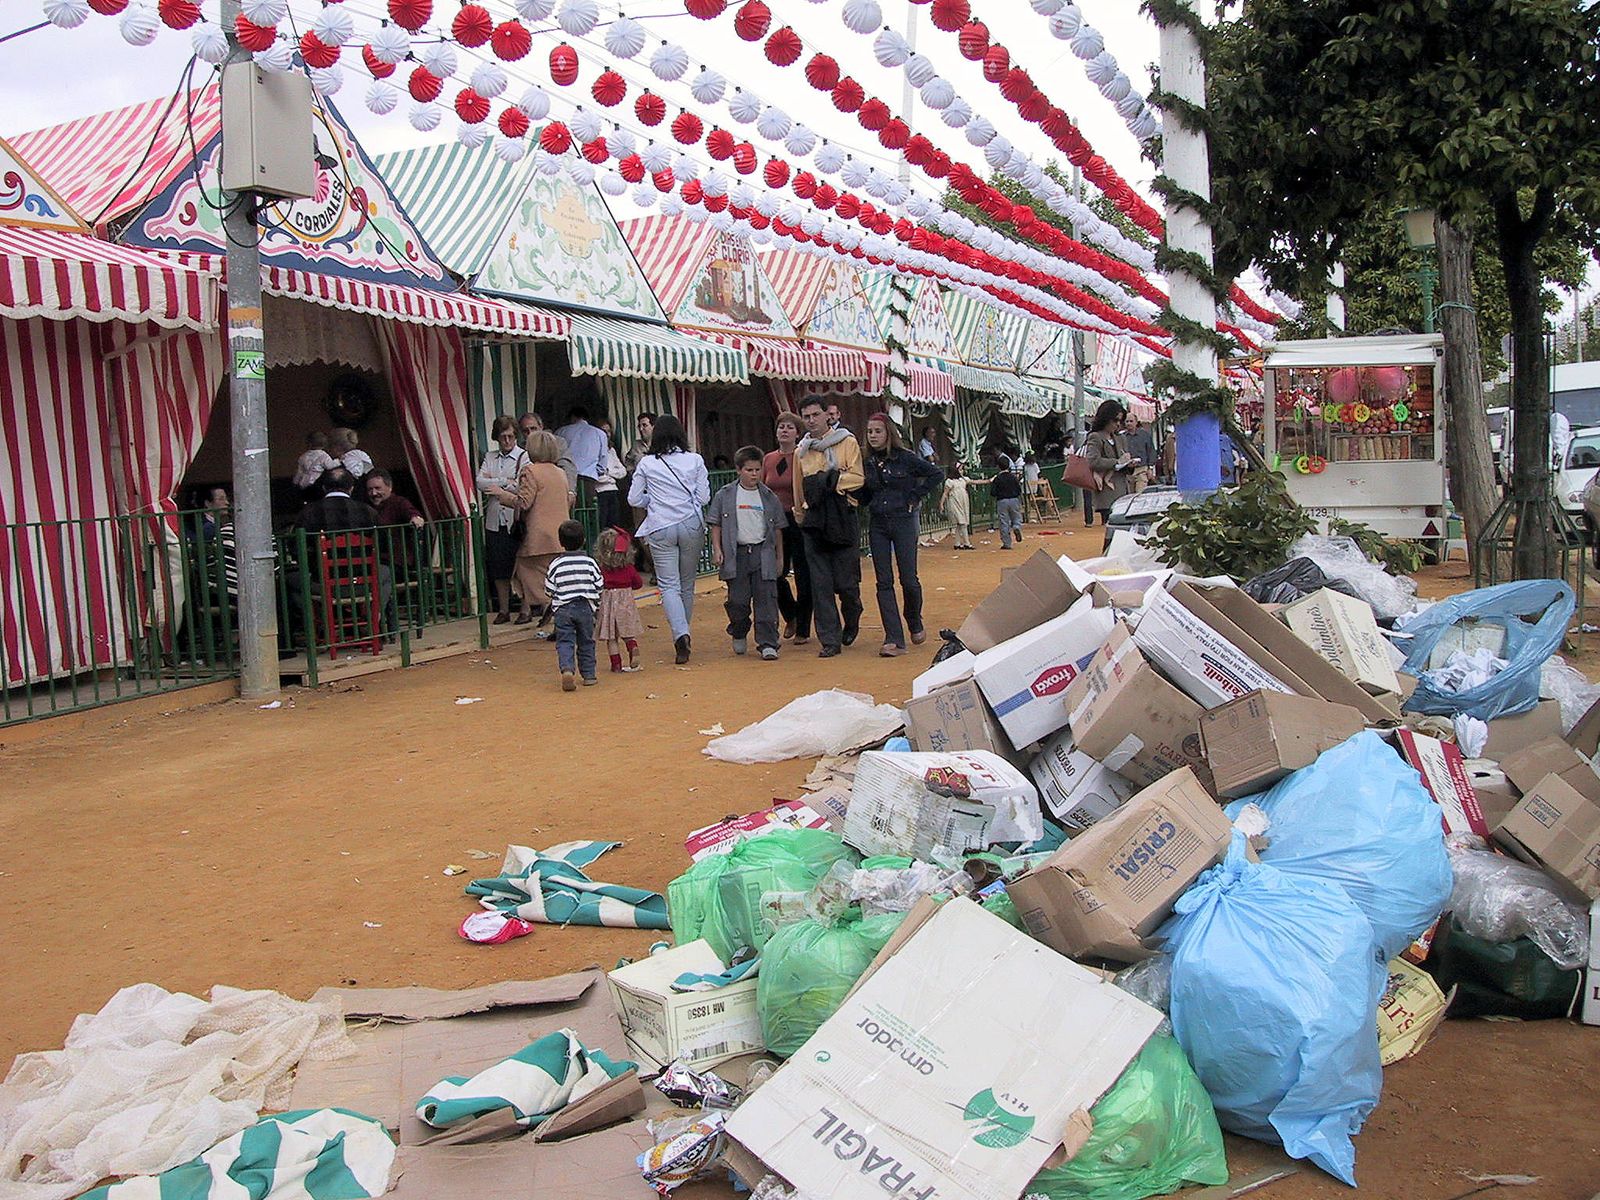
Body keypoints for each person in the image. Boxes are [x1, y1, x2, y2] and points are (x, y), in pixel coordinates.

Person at [628, 413, 709, 665]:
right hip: (691, 523)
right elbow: (704, 497)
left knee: (668, 585)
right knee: (686, 584)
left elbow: (633, 499)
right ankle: (684, 631)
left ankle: (680, 634)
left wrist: (651, 501)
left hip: (660, 524)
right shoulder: (695, 460)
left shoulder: (647, 463)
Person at [860, 414, 944, 656]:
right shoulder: (866, 462)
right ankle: (894, 638)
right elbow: (865, 493)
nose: (873, 436)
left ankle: (914, 619)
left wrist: (915, 495)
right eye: (869, 432)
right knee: (883, 581)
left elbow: (936, 474)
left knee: (909, 578)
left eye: (877, 431)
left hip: (903, 521)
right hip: (877, 523)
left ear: (888, 433)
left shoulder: (906, 458)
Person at [792, 396, 864, 658]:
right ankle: (829, 640)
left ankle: (853, 615)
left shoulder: (847, 441)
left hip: (842, 515)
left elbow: (857, 477)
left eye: (815, 414)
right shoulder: (802, 450)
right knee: (820, 584)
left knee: (846, 583)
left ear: (827, 415)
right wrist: (800, 514)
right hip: (814, 520)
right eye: (806, 416)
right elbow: (798, 486)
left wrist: (830, 481)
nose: (811, 420)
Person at [707, 445, 785, 661]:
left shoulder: (769, 497)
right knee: (738, 601)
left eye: (757, 470)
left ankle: (768, 642)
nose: (754, 474)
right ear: (738, 470)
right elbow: (715, 524)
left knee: (766, 600)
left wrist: (779, 556)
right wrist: (717, 549)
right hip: (737, 554)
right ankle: (739, 629)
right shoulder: (725, 495)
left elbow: (778, 528)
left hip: (763, 553)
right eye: (749, 470)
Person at [513, 430, 572, 628]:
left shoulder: (530, 471)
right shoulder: (560, 472)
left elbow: (524, 502)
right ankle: (557, 611)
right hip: (560, 533)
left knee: (527, 571)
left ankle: (551, 605)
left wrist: (502, 495)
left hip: (538, 535)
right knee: (555, 575)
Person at [763, 412, 812, 644]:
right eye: (781, 426)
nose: (784, 430)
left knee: (803, 573)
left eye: (789, 427)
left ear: (797, 433)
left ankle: (803, 627)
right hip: (775, 521)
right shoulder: (769, 458)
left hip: (798, 519)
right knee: (776, 573)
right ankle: (790, 614)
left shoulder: (803, 456)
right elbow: (763, 487)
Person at [477, 415, 529, 624]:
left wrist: (500, 487)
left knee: (521, 565)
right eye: (502, 437)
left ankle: (526, 608)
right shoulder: (490, 457)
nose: (507, 441)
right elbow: (480, 481)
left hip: (514, 517)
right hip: (494, 518)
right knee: (498, 566)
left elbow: (522, 484)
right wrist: (503, 482)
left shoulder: (523, 457)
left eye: (510, 436)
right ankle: (504, 609)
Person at [545, 519, 603, 691]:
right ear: (584, 540)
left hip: (563, 609)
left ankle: (567, 670)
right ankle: (589, 675)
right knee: (586, 641)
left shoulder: (556, 564)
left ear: (561, 542)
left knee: (565, 641)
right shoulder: (590, 563)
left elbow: (549, 589)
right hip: (585, 607)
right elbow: (599, 584)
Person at [594, 526, 644, 673]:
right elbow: (638, 583)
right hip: (626, 602)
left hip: (608, 603)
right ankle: (633, 647)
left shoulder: (602, 569)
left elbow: (597, 585)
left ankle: (616, 664)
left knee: (612, 638)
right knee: (628, 633)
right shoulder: (629, 568)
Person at [555, 404, 612, 516]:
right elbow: (603, 460)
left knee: (569, 513)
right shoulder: (600, 433)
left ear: (572, 417)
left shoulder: (560, 431)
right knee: (590, 514)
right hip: (588, 479)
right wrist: (596, 472)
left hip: (565, 479)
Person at [1084, 400, 1134, 525]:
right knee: (1110, 527)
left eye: (1120, 421)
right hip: (1107, 491)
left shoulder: (1120, 438)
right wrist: (1116, 462)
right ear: (1106, 419)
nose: (1118, 424)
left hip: (1123, 489)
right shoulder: (1095, 437)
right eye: (1115, 420)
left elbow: (1124, 461)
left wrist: (1129, 464)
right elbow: (1093, 461)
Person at [593, 419, 628, 531]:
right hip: (600, 491)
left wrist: (609, 473)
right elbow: (596, 476)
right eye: (604, 431)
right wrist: (610, 475)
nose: (607, 434)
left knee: (615, 524)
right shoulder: (593, 451)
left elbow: (623, 471)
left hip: (613, 489)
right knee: (602, 524)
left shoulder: (611, 451)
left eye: (608, 431)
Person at [942, 462, 980, 550]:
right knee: (962, 523)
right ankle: (967, 543)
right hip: (955, 503)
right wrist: (941, 504)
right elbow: (945, 493)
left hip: (963, 502)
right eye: (960, 469)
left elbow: (976, 481)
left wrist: (989, 480)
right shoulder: (949, 482)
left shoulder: (963, 480)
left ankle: (957, 543)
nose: (962, 471)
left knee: (960, 523)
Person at [990, 457, 1024, 549]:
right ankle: (1016, 526)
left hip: (1002, 501)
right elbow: (1018, 490)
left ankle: (1007, 543)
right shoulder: (1013, 477)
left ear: (998, 466)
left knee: (1004, 522)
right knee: (1016, 516)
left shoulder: (997, 478)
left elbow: (993, 492)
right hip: (1014, 499)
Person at [1124, 418, 1156, 493]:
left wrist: (1150, 468)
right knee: (1129, 496)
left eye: (1131, 421)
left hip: (1142, 469)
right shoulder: (1122, 437)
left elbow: (1151, 451)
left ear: (1136, 422)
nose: (1129, 423)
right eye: (1127, 421)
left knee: (1140, 494)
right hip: (1128, 471)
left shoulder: (1144, 435)